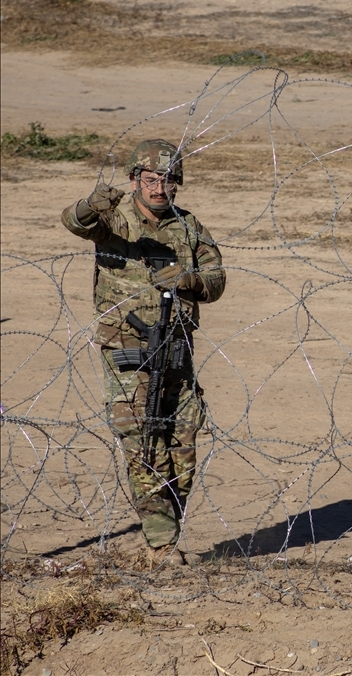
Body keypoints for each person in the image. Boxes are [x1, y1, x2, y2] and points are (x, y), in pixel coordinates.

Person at [61, 139, 226, 567]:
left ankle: (167, 527)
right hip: (127, 352)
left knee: (183, 445)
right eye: (150, 179)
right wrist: (90, 204)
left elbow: (216, 277)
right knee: (142, 444)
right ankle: (161, 544)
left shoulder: (188, 227)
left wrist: (189, 279)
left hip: (176, 349)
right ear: (135, 179)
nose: (159, 188)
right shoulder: (113, 218)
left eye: (169, 180)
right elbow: (75, 223)